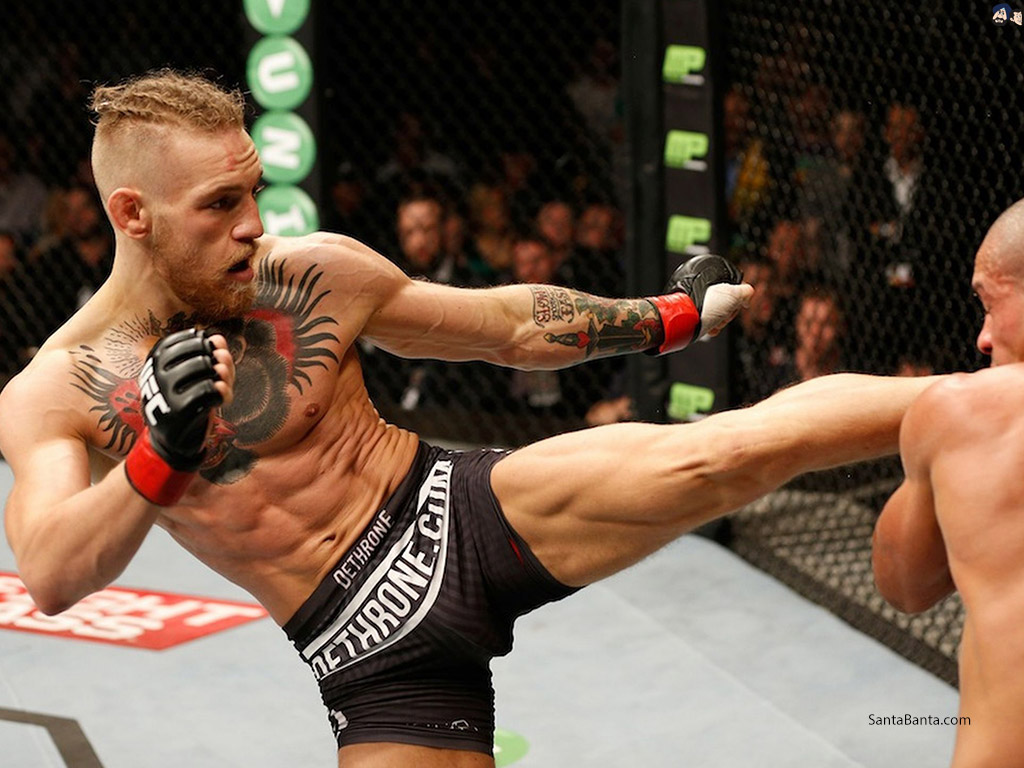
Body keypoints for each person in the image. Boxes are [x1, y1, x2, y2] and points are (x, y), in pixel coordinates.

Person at [0, 70, 938, 768]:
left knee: (718, 455)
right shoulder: (56, 390)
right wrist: (159, 454)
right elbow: (50, 572)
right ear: (133, 213)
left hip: (461, 513)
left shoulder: (310, 272)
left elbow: (507, 326)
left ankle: (972, 400)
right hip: (362, 647)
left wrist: (668, 318)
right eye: (219, 204)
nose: (252, 222)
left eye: (253, 190)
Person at [872, 198, 1024, 768]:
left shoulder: (961, 412)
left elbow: (902, 584)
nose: (983, 337)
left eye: (989, 304)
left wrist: (930, 451)